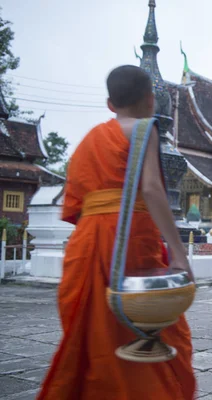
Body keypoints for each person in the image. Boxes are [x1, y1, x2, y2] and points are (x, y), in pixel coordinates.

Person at [37, 66, 196, 400]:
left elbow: (76, 205)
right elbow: (152, 190)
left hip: (87, 243)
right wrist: (179, 253)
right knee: (151, 327)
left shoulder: (88, 141)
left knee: (94, 336)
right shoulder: (144, 130)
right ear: (152, 101)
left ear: (110, 104)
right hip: (129, 241)